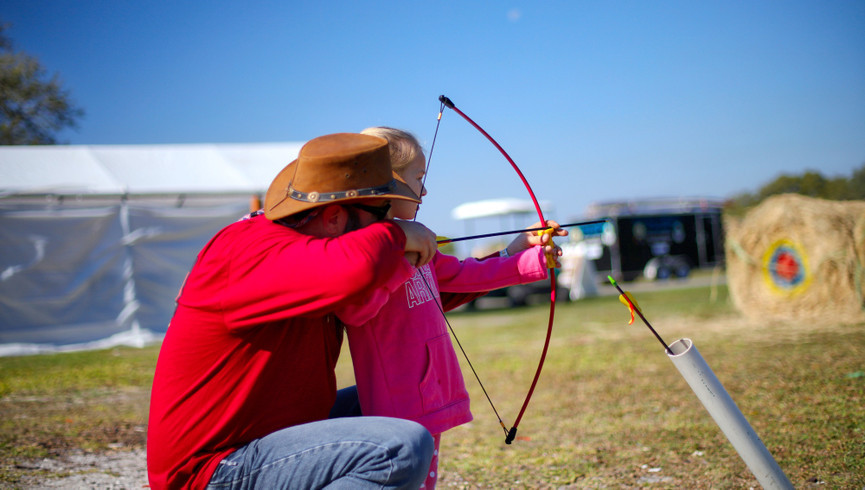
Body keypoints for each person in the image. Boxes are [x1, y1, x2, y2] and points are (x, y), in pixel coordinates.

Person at [147, 132, 441, 489]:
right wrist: (399, 236)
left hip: (268, 446)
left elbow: (418, 289)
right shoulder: (247, 248)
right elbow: (356, 269)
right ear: (333, 218)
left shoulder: (314, 250)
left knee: (400, 396)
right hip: (214, 469)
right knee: (399, 448)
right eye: (382, 212)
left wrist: (517, 261)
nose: (390, 221)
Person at [338, 127, 567, 488]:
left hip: (428, 388)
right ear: (386, 183)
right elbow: (355, 309)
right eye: (418, 177)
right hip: (397, 401)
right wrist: (401, 258)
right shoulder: (365, 251)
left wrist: (528, 255)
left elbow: (464, 275)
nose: (424, 190)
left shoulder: (417, 239)